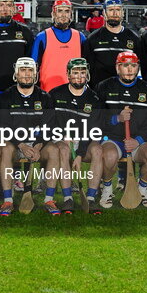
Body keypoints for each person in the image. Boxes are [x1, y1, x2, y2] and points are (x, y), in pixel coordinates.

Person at [0, 57, 59, 216]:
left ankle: (49, 199)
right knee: (6, 149)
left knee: (54, 151)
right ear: (16, 73)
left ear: (36, 74)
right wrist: (21, 144)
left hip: (37, 144)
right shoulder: (6, 97)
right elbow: (2, 126)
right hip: (15, 143)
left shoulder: (45, 97)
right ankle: (8, 201)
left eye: (30, 71)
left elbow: (50, 126)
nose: (27, 75)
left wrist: (38, 144)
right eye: (23, 70)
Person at [94, 50, 147, 210]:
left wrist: (137, 141)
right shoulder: (104, 87)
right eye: (125, 65)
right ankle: (107, 187)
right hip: (112, 139)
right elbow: (96, 119)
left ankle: (142, 188)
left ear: (138, 67)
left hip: (137, 140)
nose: (129, 69)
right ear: (118, 67)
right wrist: (117, 119)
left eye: (133, 65)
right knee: (108, 156)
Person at [48, 58, 104, 214]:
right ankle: (68, 198)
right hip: (61, 139)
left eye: (83, 73)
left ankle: (91, 198)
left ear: (87, 75)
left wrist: (80, 154)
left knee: (98, 150)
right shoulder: (55, 94)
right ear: (68, 74)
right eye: (75, 73)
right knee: (64, 150)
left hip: (84, 140)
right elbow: (49, 122)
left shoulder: (94, 99)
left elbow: (93, 130)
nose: (79, 76)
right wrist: (61, 135)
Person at [32, 0, 85, 93]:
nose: (63, 15)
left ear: (71, 14)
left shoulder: (80, 37)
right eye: (60, 11)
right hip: (48, 91)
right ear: (53, 13)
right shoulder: (42, 37)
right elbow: (34, 67)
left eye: (67, 11)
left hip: (75, 92)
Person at [83, 0, 141, 85]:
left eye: (118, 10)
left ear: (122, 12)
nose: (115, 13)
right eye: (111, 10)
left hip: (126, 90)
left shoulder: (134, 38)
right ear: (104, 13)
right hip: (99, 91)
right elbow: (87, 68)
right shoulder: (93, 38)